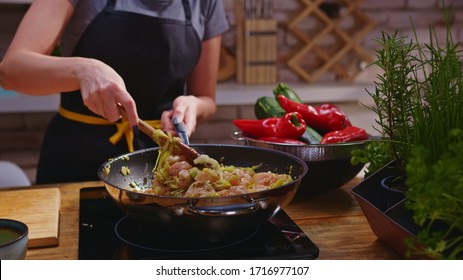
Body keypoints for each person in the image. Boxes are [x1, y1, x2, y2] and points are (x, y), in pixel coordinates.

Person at [0, 0, 229, 184]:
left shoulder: (206, 4)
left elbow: (206, 99)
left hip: (159, 170)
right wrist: (84, 70)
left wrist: (193, 106)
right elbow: (11, 71)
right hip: (76, 161)